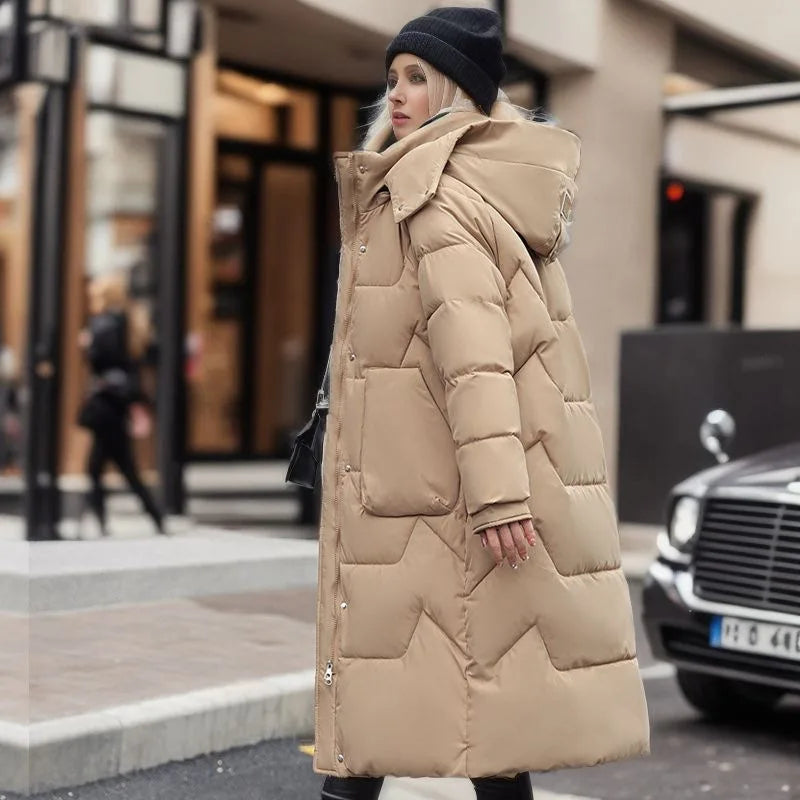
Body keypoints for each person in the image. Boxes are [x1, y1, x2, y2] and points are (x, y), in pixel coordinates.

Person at [315, 8, 650, 800]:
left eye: (416, 78)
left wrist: (500, 492)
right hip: (424, 490)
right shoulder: (466, 189)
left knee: (400, 708)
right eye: (392, 78)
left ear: (457, 90)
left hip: (431, 499)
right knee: (476, 705)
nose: (394, 94)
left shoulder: (434, 200)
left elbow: (478, 359)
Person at [77, 273, 164, 537]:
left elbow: (99, 358)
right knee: (107, 466)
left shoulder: (103, 324)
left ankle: (146, 518)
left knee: (114, 468)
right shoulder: (127, 322)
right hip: (117, 403)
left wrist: (86, 345)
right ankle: (148, 519)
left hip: (106, 404)